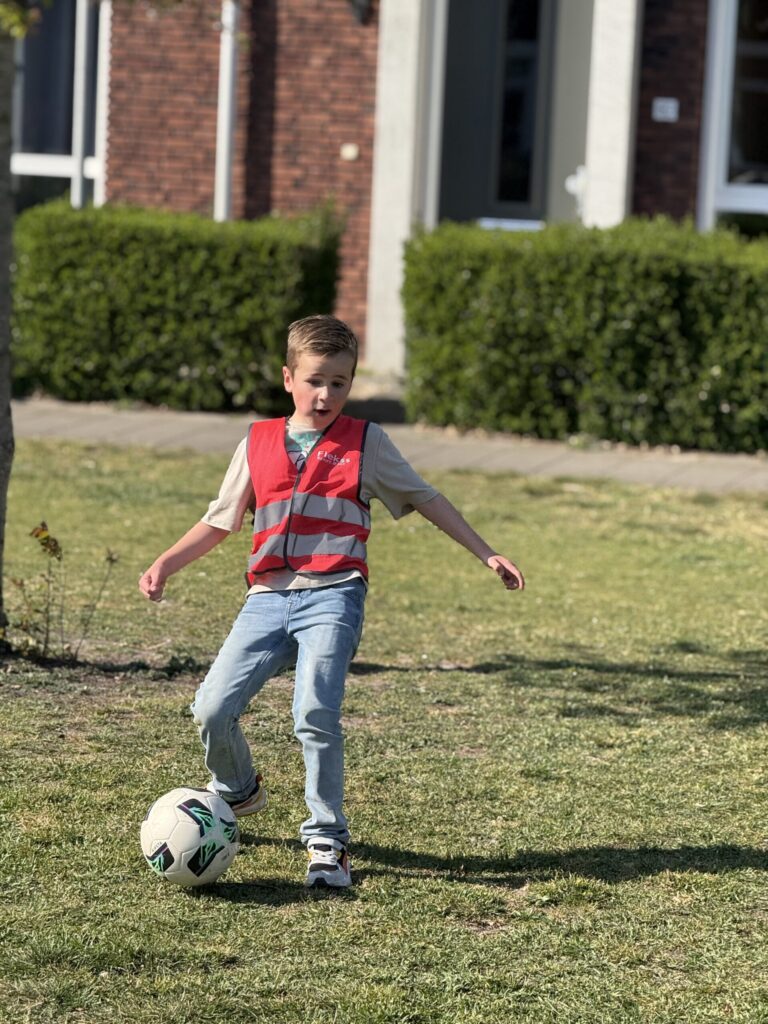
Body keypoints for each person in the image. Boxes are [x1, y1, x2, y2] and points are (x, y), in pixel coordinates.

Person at [139, 315, 524, 889]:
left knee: (314, 713)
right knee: (211, 708)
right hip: (267, 598)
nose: (326, 395)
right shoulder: (257, 440)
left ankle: (327, 841)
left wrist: (485, 552)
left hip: (335, 595)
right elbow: (219, 521)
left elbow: (424, 497)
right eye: (316, 380)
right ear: (288, 378)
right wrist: (166, 561)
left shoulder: (367, 442)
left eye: (340, 383)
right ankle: (240, 791)